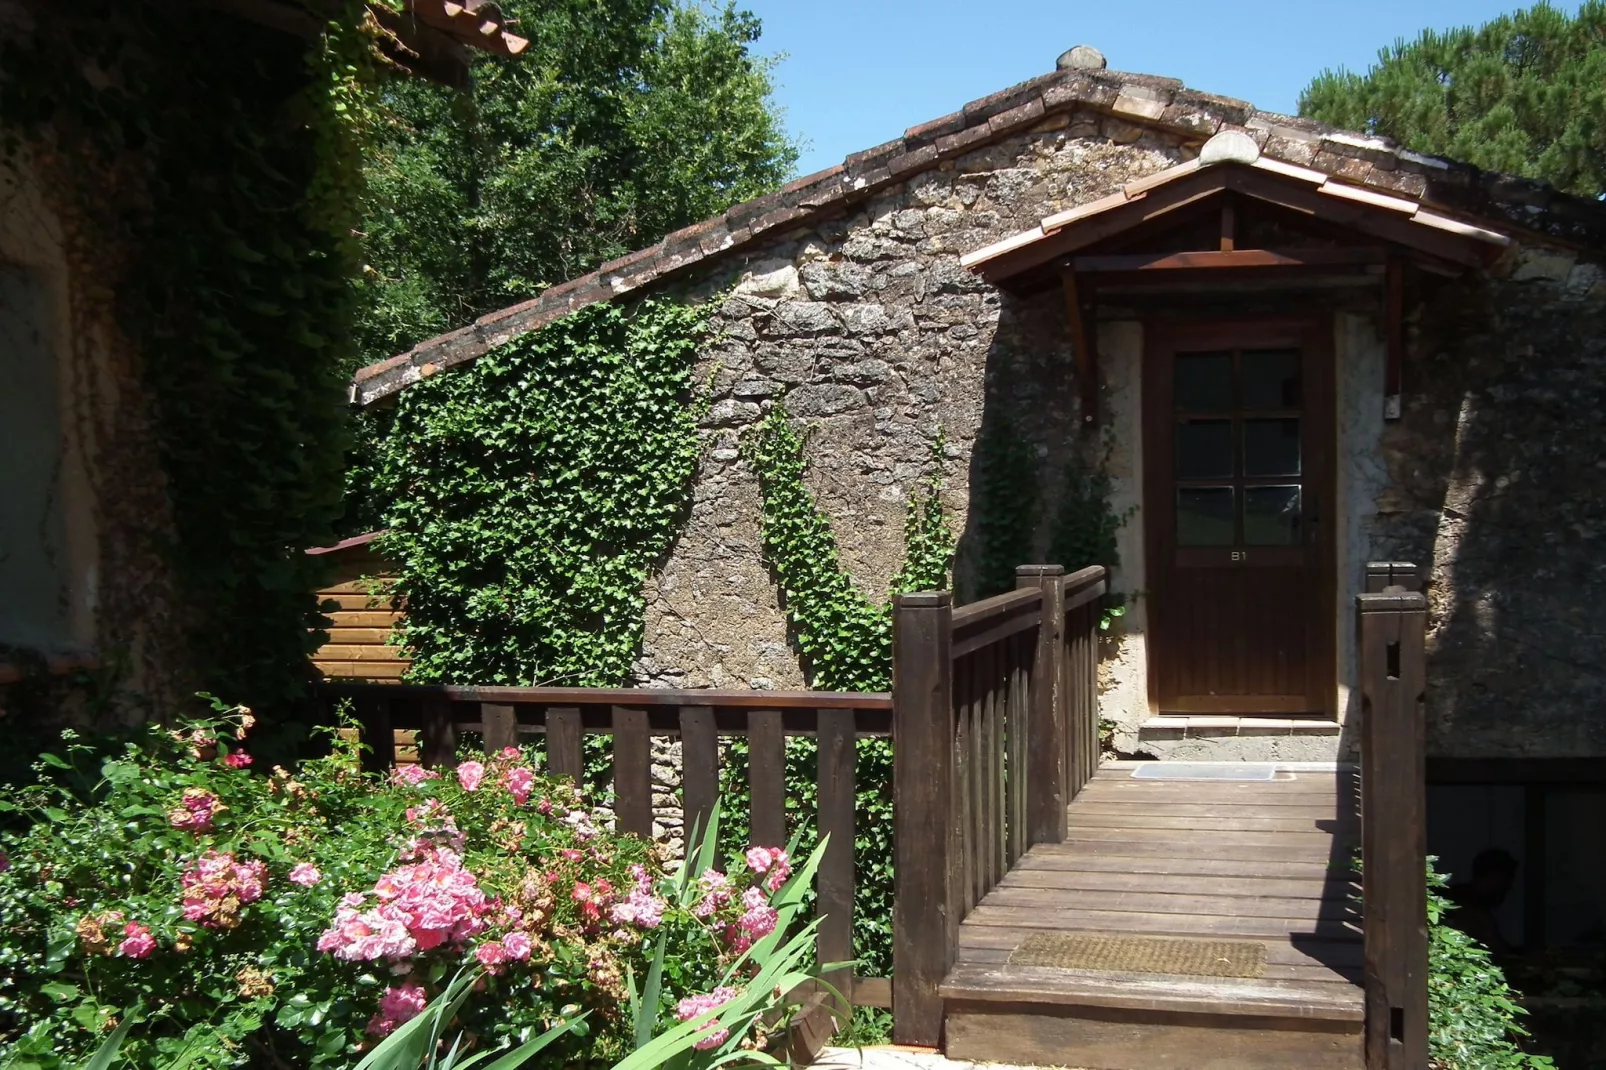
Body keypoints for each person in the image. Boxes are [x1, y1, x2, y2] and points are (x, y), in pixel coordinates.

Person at [1445, 848, 1519, 957]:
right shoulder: (1469, 908)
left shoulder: (1464, 899)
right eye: (1506, 880)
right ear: (1494, 877)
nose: (1509, 887)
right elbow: (1498, 949)